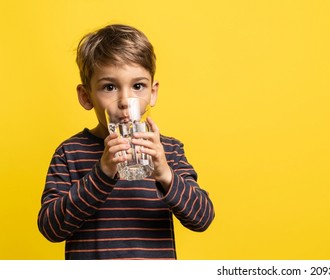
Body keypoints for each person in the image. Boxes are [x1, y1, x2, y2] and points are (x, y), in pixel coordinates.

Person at [37, 24, 215, 259]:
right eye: (109, 87)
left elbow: (202, 218)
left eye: (138, 86)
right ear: (86, 96)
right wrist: (102, 173)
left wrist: (165, 174)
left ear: (152, 92)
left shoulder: (167, 151)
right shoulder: (70, 152)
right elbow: (51, 228)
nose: (124, 100)